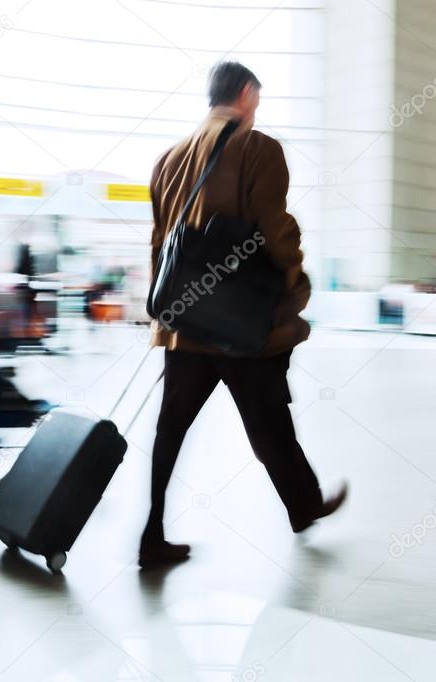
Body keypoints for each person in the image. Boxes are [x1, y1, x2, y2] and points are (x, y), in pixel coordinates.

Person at [140, 62, 348, 569]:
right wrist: (296, 289)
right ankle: (303, 505)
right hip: (241, 326)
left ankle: (151, 533)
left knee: (171, 431)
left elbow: (159, 243)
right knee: (269, 421)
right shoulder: (260, 149)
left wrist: (168, 313)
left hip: (186, 328)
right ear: (247, 93)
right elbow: (274, 231)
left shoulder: (169, 159)